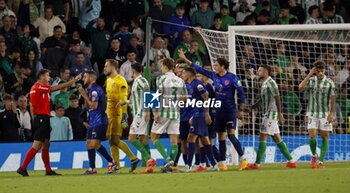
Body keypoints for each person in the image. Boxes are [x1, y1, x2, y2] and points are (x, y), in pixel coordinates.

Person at [178, 49, 248, 171]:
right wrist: (185, 59)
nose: (214, 67)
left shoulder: (232, 78)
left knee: (231, 135)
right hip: (218, 111)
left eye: (216, 65)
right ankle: (221, 162)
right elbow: (199, 69)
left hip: (230, 110)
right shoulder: (214, 75)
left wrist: (242, 106)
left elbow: (241, 92)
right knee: (220, 137)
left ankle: (243, 158)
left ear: (222, 66)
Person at [17, 69, 81, 176]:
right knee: (37, 145)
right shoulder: (39, 87)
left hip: (42, 119)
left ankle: (48, 170)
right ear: (42, 77)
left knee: (46, 145)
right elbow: (56, 88)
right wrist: (72, 81)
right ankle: (23, 167)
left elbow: (32, 105)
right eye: (47, 75)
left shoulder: (34, 88)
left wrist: (35, 119)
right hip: (42, 118)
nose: (49, 77)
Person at [247, 64, 297, 169]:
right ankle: (291, 161)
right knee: (277, 138)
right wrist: (252, 107)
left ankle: (257, 163)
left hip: (271, 113)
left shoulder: (271, 82)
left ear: (266, 72)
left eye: (260, 70)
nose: (258, 72)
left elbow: (277, 97)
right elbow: (262, 99)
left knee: (262, 136)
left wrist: (279, 113)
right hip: (267, 113)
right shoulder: (264, 84)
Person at [117, 63, 157, 174]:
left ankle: (149, 159)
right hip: (138, 113)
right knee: (143, 139)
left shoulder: (142, 81)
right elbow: (137, 99)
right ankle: (149, 167)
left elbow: (149, 95)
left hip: (141, 114)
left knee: (131, 138)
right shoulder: (136, 82)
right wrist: (125, 102)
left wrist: (147, 111)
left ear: (132, 70)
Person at [150, 58, 187, 173]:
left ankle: (168, 159)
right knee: (174, 141)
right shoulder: (180, 80)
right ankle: (169, 166)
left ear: (165, 66)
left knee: (154, 137)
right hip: (175, 112)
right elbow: (185, 97)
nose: (161, 68)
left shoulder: (161, 78)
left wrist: (155, 112)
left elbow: (159, 94)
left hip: (163, 111)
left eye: (161, 66)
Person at [180, 66, 219, 172]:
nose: (182, 75)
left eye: (183, 73)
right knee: (205, 140)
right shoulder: (189, 85)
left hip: (200, 114)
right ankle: (214, 165)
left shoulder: (197, 84)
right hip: (197, 114)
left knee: (191, 138)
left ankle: (188, 166)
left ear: (189, 74)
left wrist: (206, 113)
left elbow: (206, 97)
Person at [103, 59, 139, 173]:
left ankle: (133, 158)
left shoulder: (121, 80)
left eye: (107, 66)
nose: (105, 68)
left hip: (117, 113)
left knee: (114, 139)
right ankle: (117, 166)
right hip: (109, 113)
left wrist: (124, 114)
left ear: (113, 67)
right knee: (110, 140)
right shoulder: (108, 80)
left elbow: (124, 98)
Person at [299, 61, 336, 169]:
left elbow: (333, 98)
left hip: (325, 113)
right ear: (315, 71)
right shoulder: (311, 80)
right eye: (318, 71)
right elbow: (300, 87)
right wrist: (310, 74)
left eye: (321, 71)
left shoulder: (329, 82)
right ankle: (314, 156)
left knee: (325, 136)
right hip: (312, 112)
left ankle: (321, 162)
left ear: (324, 71)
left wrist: (331, 113)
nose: (320, 73)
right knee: (312, 135)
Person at [78, 70, 115, 175]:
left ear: (91, 78)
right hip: (93, 120)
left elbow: (94, 106)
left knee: (94, 144)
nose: (83, 79)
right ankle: (92, 169)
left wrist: (84, 95)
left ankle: (112, 162)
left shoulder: (94, 90)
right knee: (89, 144)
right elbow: (88, 106)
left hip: (100, 120)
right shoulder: (89, 90)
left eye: (85, 77)